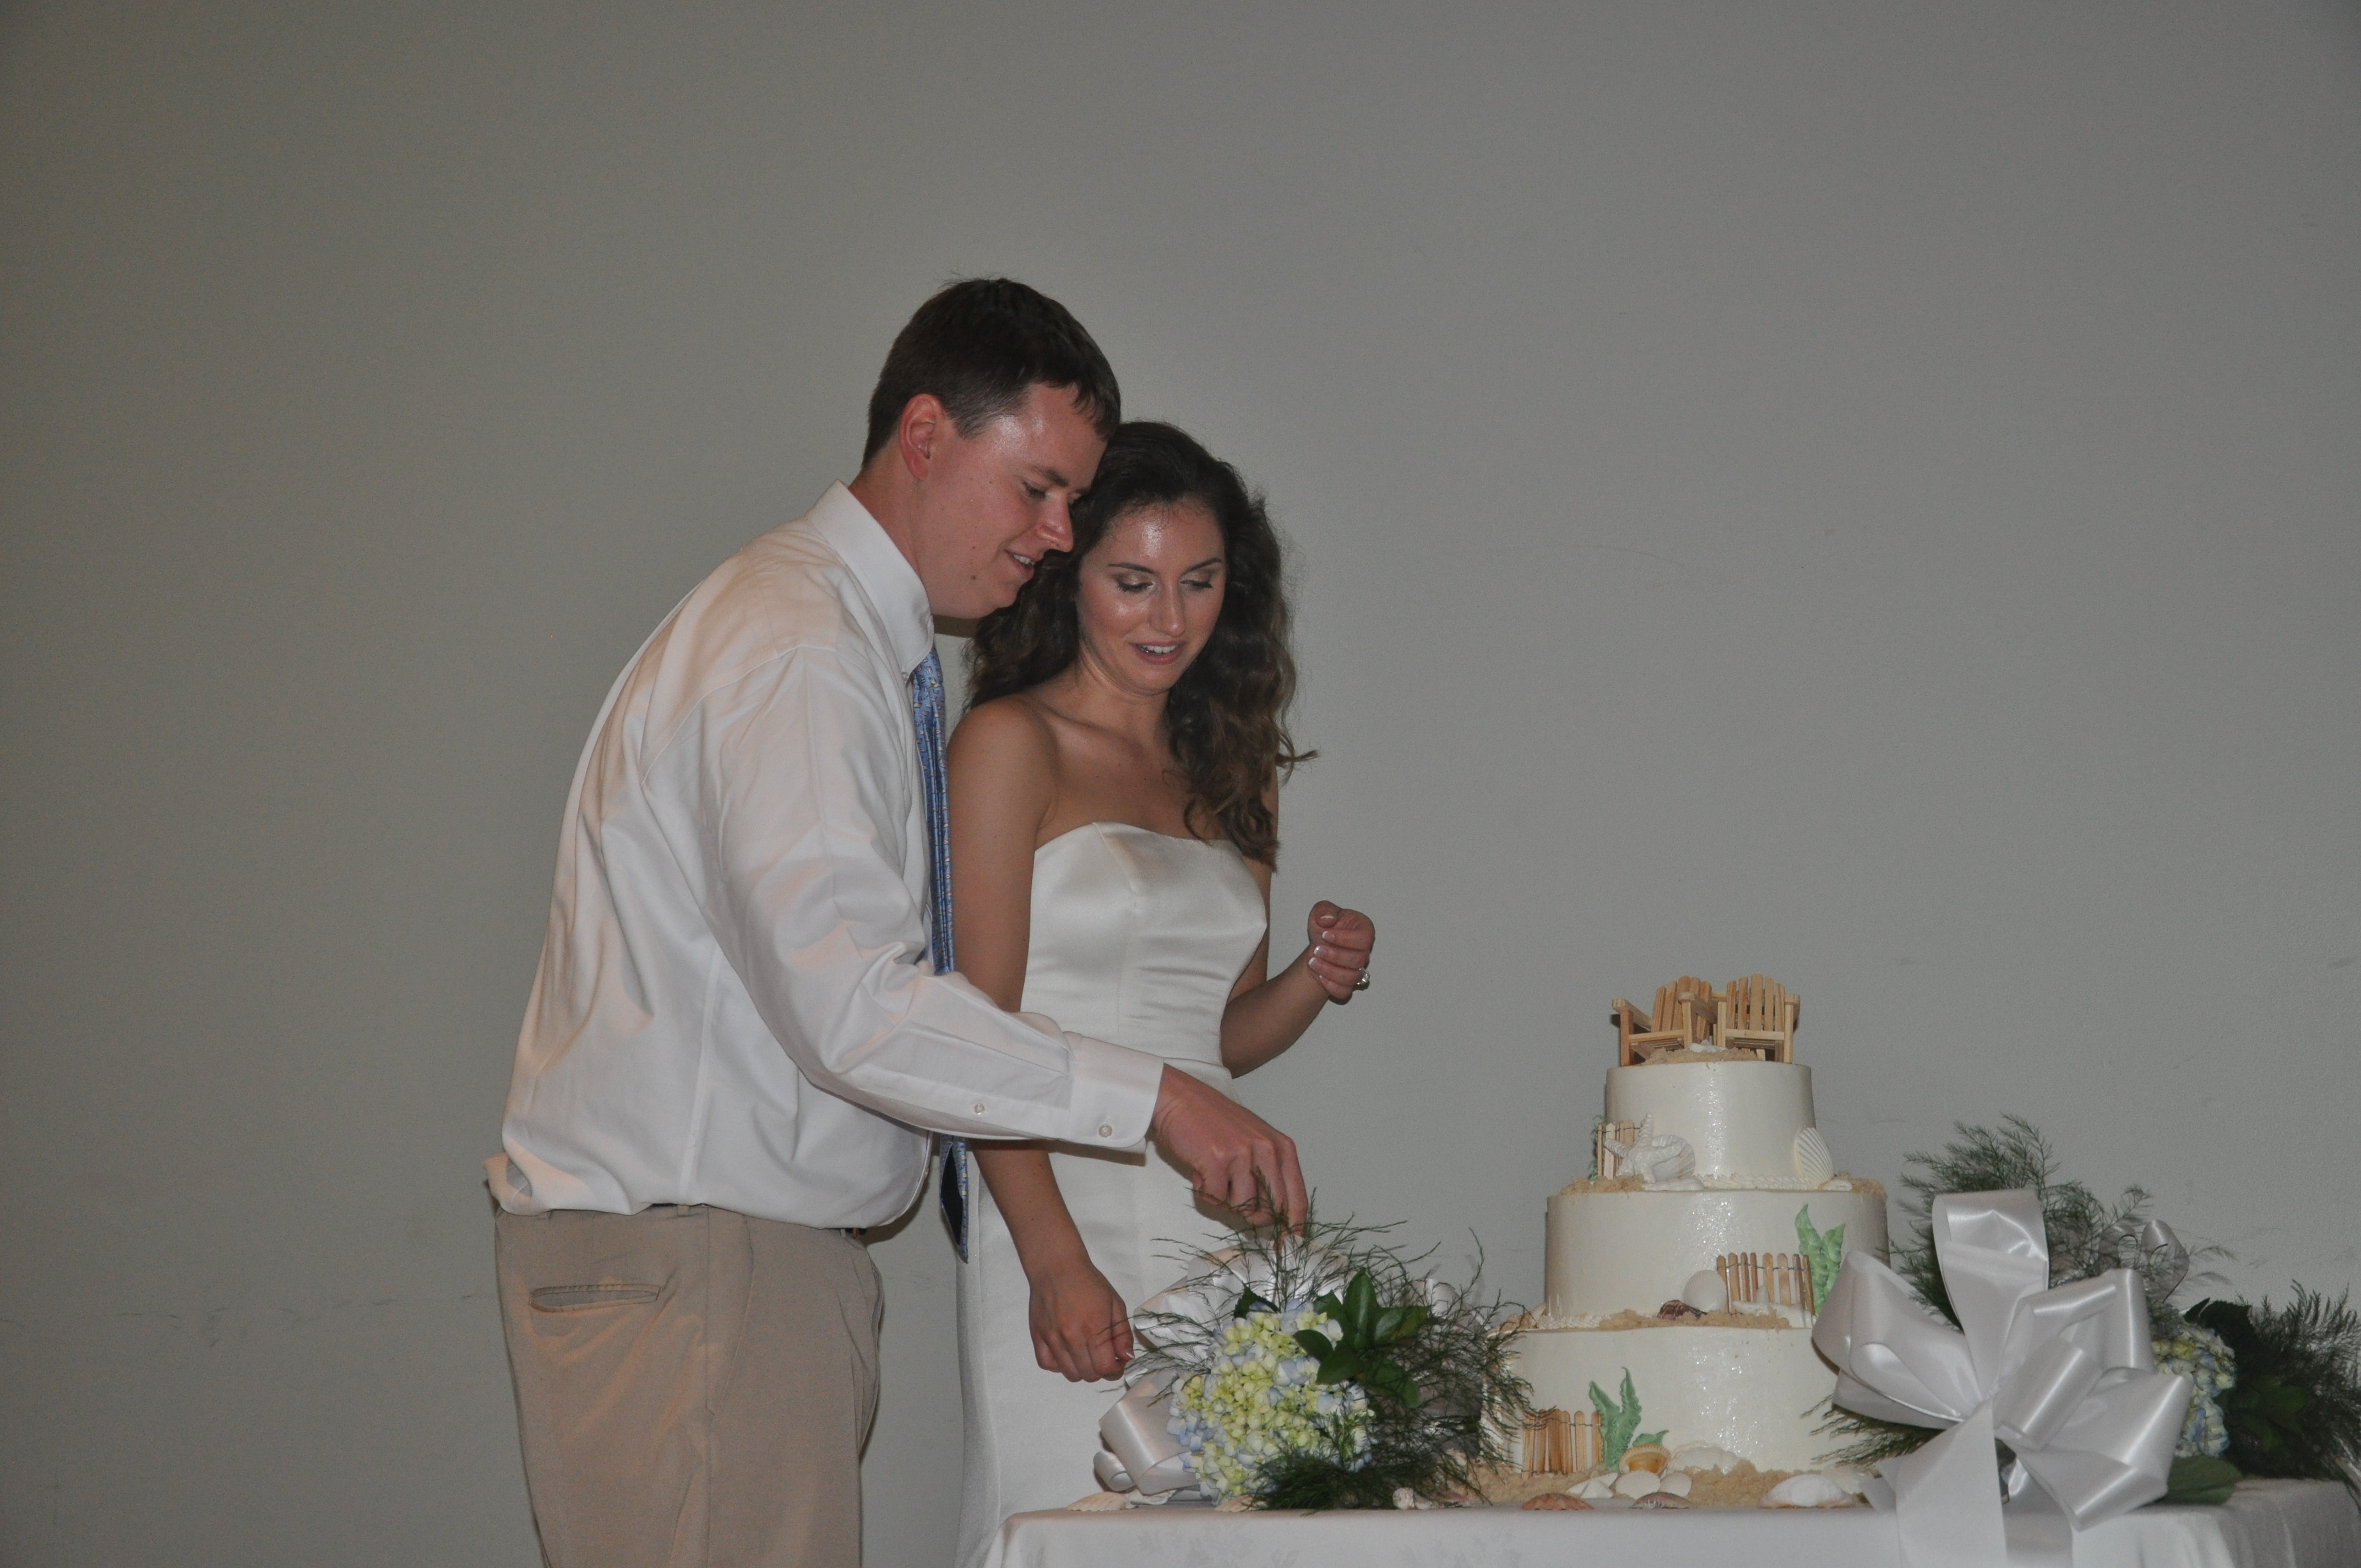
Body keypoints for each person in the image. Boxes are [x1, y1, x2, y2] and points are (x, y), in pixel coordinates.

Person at [484, 282, 1309, 1568]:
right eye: (1036, 488)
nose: (1054, 533)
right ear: (924, 435)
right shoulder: (796, 644)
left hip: (735, 1261)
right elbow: (854, 1010)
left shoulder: (837, 638)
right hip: (703, 1258)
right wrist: (1155, 1096)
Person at [945, 422, 1376, 1564]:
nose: (1169, 619)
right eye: (1132, 582)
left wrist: (1314, 978)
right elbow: (971, 1038)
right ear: (1068, 575)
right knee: (1068, 1525)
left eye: (1199, 581)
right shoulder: (1009, 742)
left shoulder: (1234, 764)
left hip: (1218, 1226)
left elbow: (1220, 1038)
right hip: (1056, 1198)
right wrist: (1052, 1259)